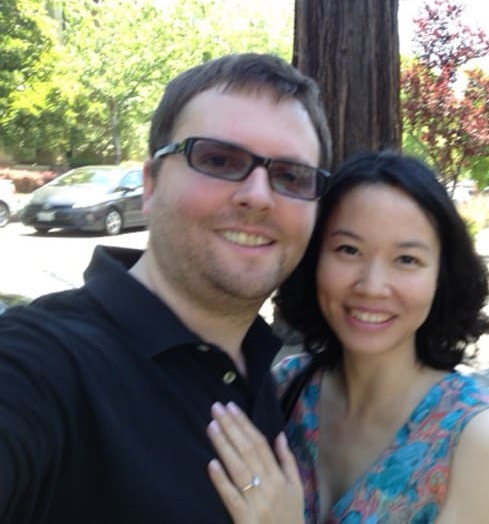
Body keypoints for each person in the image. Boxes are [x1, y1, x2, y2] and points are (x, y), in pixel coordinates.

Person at [0, 53, 332, 523]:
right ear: (150, 185)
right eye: (218, 159)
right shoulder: (41, 365)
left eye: (290, 176)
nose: (258, 196)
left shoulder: (272, 372)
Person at [208, 151, 489, 523]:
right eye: (349, 250)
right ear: (314, 260)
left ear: (442, 277)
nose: (372, 286)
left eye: (406, 259)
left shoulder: (479, 440)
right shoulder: (284, 389)